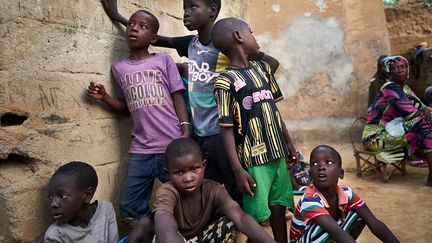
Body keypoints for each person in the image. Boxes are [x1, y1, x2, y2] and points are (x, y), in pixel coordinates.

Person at [100, 0, 283, 205]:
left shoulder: (224, 43)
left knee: (234, 183)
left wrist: (243, 93)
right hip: (200, 131)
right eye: (184, 9)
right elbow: (153, 38)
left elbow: (271, 64)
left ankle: (247, 224)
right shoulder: (190, 44)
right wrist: (119, 18)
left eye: (193, 7)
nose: (186, 13)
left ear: (212, 11)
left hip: (224, 129)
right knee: (210, 185)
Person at [87, 9, 190, 229]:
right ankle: (157, 233)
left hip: (170, 145)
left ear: (153, 38)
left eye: (143, 26)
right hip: (140, 149)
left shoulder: (163, 60)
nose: (134, 27)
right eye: (132, 23)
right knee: (130, 207)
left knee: (186, 199)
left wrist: (185, 128)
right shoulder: (118, 68)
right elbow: (126, 109)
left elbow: (177, 94)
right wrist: (104, 97)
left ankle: (181, 233)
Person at [211, 17, 297, 243]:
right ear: (239, 37)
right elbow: (226, 129)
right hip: (254, 159)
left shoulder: (263, 69)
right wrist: (238, 169)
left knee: (279, 208)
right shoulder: (225, 81)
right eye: (250, 32)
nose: (255, 37)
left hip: (277, 153)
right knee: (255, 219)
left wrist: (288, 142)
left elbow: (274, 111)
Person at [153, 137, 276, 243]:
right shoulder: (168, 191)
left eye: (194, 169)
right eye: (179, 172)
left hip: (204, 238)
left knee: (233, 222)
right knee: (158, 235)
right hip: (175, 239)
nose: (188, 178)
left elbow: (241, 218)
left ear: (204, 166)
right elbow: (165, 228)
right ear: (168, 174)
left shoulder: (214, 190)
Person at [289, 145, 400, 243]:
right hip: (306, 239)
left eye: (329, 162)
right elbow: (337, 233)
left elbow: (375, 224)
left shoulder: (347, 193)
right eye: (314, 163)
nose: (321, 167)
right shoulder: (309, 200)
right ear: (310, 174)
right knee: (325, 229)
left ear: (340, 173)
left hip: (330, 234)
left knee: (359, 215)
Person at [362, 55, 432, 186]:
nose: (400, 70)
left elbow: (421, 106)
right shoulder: (389, 87)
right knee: (424, 124)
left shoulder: (404, 88)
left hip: (392, 130)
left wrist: (427, 110)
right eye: (395, 68)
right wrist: (424, 112)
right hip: (374, 138)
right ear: (389, 71)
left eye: (403, 67)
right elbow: (409, 111)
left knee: (427, 126)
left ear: (408, 70)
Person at [44, 161, 118, 243]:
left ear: (87, 195)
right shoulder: (55, 235)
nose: (53, 204)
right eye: (51, 197)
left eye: (62, 196)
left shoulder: (105, 210)